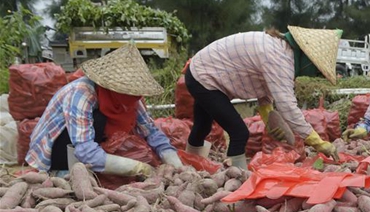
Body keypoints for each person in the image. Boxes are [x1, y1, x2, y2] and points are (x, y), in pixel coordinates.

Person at [185, 26, 342, 169]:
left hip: (199, 71)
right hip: (204, 78)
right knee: (239, 132)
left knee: (202, 126)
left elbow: (265, 87)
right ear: (308, 60)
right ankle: (236, 178)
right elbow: (288, 106)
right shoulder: (280, 59)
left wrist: (268, 117)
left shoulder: (279, 49)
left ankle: (190, 166)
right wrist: (318, 143)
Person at [26, 43, 182, 176]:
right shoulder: (81, 93)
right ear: (110, 85)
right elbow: (85, 149)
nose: (132, 98)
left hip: (86, 145)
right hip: (56, 148)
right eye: (126, 91)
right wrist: (137, 168)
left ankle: (95, 167)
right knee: (99, 120)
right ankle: (65, 173)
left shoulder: (130, 97)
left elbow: (151, 131)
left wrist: (172, 159)